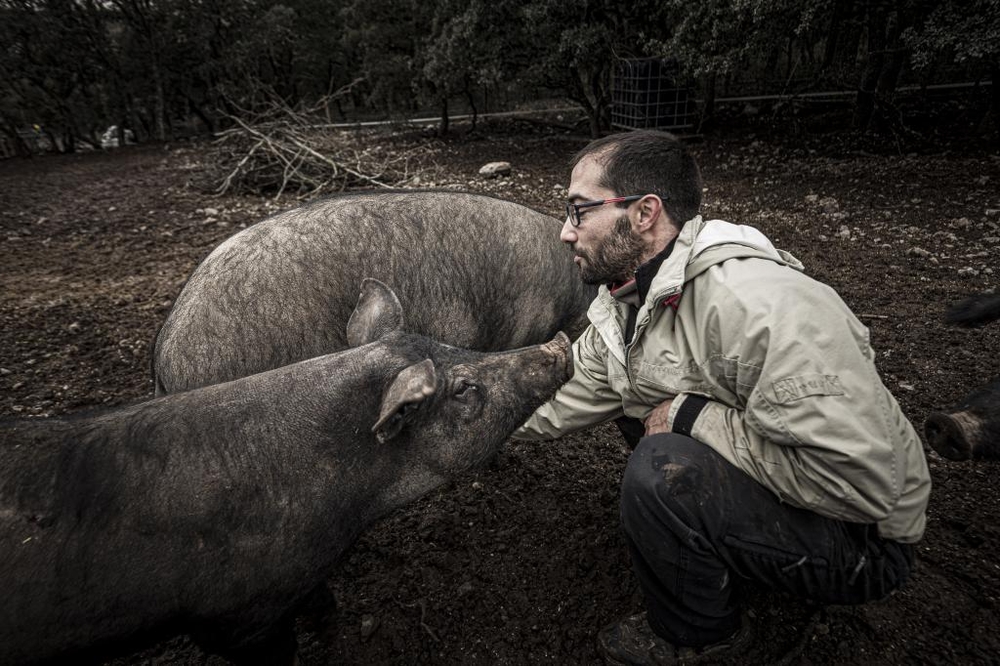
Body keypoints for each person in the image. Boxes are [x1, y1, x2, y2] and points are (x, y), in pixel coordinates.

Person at [513, 130, 931, 665]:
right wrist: (463, 414)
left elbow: (865, 485)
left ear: (644, 214)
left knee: (660, 465)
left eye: (579, 211)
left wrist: (692, 417)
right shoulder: (628, 300)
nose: (566, 234)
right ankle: (716, 545)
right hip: (814, 498)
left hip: (862, 541)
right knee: (644, 411)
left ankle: (702, 637)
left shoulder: (762, 310)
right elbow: (561, 394)